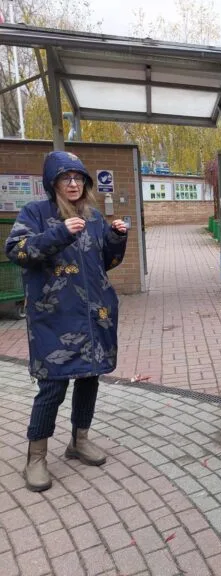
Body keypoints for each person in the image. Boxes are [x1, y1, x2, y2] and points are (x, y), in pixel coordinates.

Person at [4, 151, 129, 492]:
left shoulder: (93, 216)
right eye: (65, 179)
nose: (73, 184)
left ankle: (78, 439)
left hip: (93, 315)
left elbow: (106, 262)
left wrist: (117, 238)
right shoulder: (36, 213)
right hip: (54, 317)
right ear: (53, 183)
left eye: (78, 179)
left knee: (90, 378)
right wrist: (58, 233)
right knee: (53, 386)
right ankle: (36, 457)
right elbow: (17, 251)